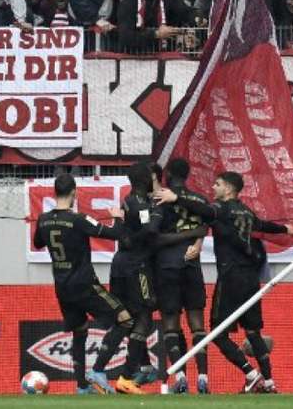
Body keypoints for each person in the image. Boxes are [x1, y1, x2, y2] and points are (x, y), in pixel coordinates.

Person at [155, 171, 293, 394]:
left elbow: (203, 210)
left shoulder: (221, 209)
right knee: (252, 332)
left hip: (230, 277)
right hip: (251, 278)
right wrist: (285, 229)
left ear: (229, 189)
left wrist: (176, 199)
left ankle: (251, 374)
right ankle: (269, 382)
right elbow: (263, 225)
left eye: (217, 184)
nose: (213, 188)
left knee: (218, 334)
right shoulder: (246, 211)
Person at [33, 173, 133, 395]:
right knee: (125, 320)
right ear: (74, 193)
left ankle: (81, 386)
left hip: (62, 287)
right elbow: (115, 234)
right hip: (85, 284)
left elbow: (38, 243)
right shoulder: (78, 219)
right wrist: (117, 217)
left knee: (80, 331)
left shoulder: (43, 219)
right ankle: (98, 370)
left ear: (54, 192)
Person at [152, 158, 210, 394]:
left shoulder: (159, 199)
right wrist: (197, 240)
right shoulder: (199, 199)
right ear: (187, 175)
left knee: (170, 325)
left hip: (167, 266)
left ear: (167, 175)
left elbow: (153, 235)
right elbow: (207, 221)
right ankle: (204, 378)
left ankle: (181, 376)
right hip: (192, 266)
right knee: (197, 324)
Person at [108, 162, 163, 395]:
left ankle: (144, 366)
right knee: (145, 316)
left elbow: (125, 231)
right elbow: (149, 231)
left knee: (128, 318)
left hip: (120, 265)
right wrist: (158, 214)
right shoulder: (142, 203)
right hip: (136, 266)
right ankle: (126, 376)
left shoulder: (127, 201)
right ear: (145, 180)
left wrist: (123, 228)